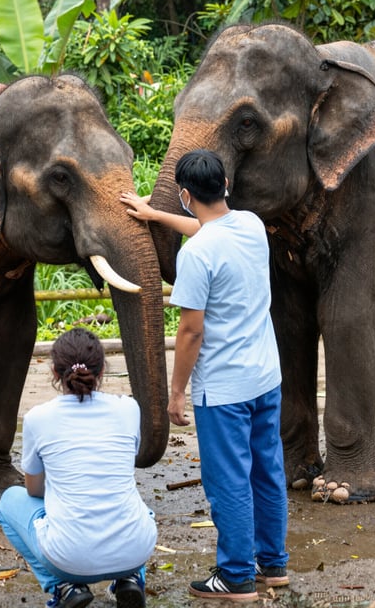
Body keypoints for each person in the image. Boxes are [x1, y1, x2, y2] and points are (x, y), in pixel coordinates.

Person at [121, 149, 289, 601]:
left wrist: (176, 393)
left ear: (186, 194)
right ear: (227, 186)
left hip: (224, 390)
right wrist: (155, 214)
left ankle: (235, 576)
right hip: (265, 378)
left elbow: (191, 331)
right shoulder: (252, 225)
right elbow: (206, 226)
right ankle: (272, 565)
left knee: (229, 480)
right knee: (267, 470)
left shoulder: (196, 256)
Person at [0, 327, 157, 608]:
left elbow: (33, 489)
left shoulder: (37, 418)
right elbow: (121, 465)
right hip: (135, 549)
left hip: (69, 557)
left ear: (55, 373)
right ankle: (131, 578)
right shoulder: (129, 408)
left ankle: (65, 586)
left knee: (9, 502)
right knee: (138, 507)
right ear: (103, 371)